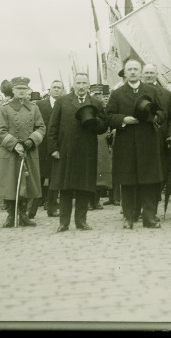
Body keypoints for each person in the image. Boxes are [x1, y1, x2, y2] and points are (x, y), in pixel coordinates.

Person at [105, 58, 167, 229]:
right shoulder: (117, 94)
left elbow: (162, 112)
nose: (132, 72)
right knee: (128, 181)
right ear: (125, 73)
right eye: (129, 69)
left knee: (149, 181)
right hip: (126, 143)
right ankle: (128, 217)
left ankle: (150, 218)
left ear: (140, 72)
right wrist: (123, 119)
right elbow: (108, 115)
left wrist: (155, 117)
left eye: (135, 69)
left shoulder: (152, 91)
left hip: (148, 141)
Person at [47, 72, 108, 232]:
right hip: (65, 151)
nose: (81, 86)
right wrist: (53, 149)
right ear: (73, 85)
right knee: (65, 188)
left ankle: (81, 221)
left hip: (87, 151)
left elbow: (103, 127)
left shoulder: (95, 102)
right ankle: (64, 223)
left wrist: (95, 121)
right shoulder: (62, 101)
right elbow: (52, 126)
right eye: (78, 83)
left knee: (84, 187)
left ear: (88, 86)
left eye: (84, 83)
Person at [0, 77, 46, 228]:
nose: (22, 91)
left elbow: (41, 127)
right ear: (13, 90)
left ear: (28, 90)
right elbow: (0, 131)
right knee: (10, 183)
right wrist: (14, 144)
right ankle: (11, 215)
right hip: (10, 152)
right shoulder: (5, 108)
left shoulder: (34, 108)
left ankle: (23, 214)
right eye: (18, 89)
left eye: (24, 89)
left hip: (28, 150)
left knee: (26, 184)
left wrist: (32, 140)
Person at [142, 63, 171, 216]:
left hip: (160, 141)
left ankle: (152, 207)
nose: (149, 75)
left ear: (156, 74)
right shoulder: (137, 93)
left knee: (159, 174)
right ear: (142, 75)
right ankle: (138, 207)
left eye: (152, 72)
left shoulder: (167, 95)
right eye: (147, 73)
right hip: (141, 142)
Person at [34, 80, 65, 218]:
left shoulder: (65, 103)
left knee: (55, 178)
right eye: (54, 87)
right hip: (42, 146)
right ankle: (32, 210)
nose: (57, 90)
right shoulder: (40, 104)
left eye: (59, 88)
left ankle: (52, 207)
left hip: (57, 146)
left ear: (63, 90)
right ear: (49, 89)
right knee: (39, 177)